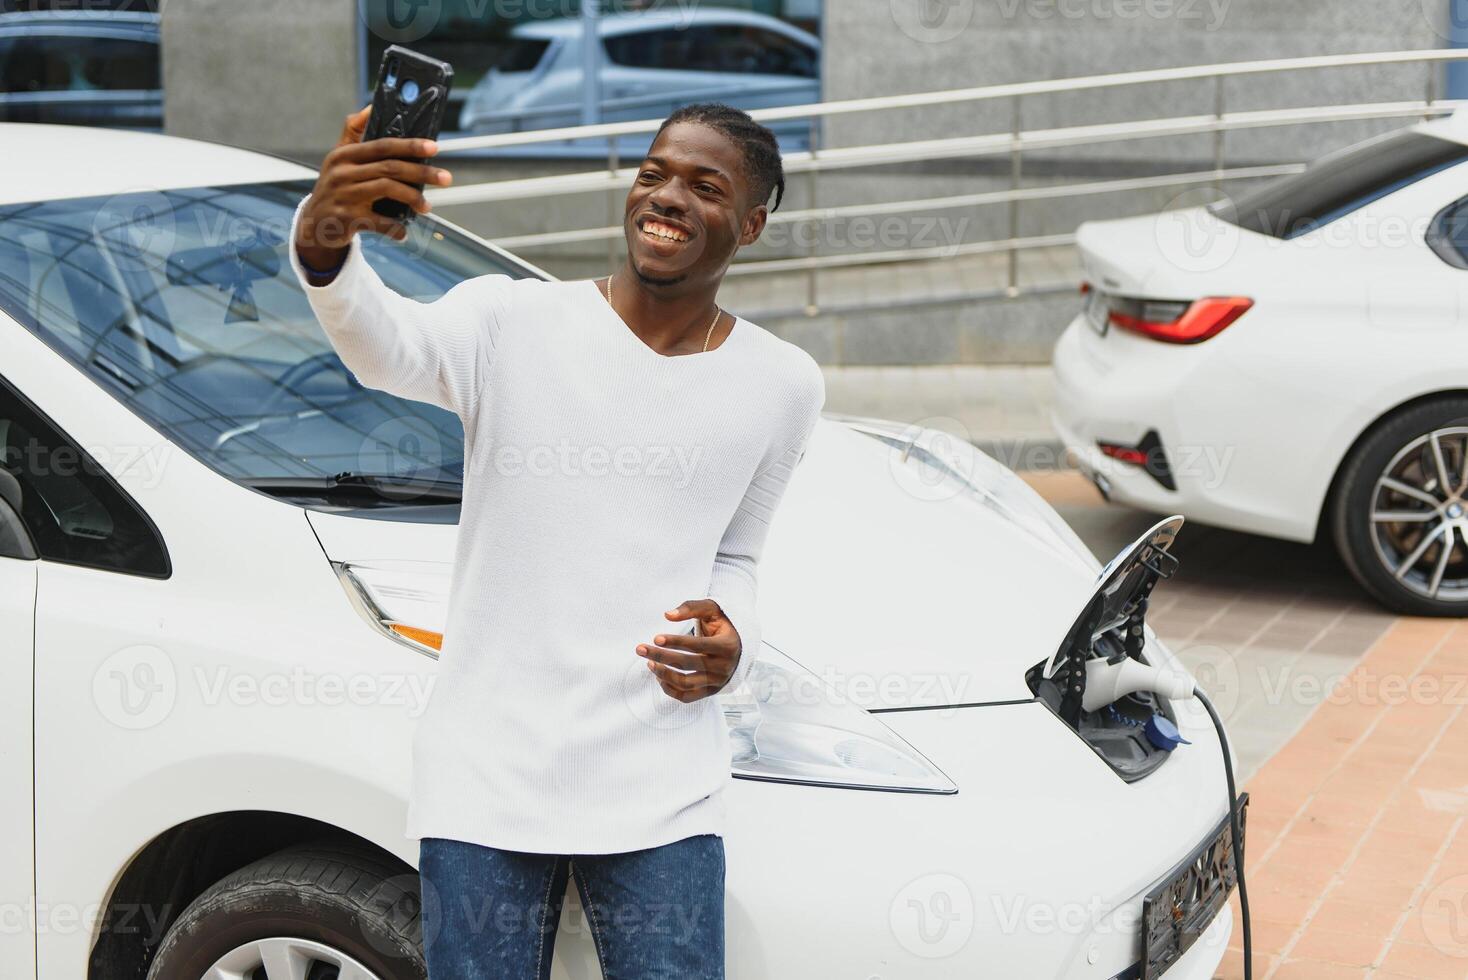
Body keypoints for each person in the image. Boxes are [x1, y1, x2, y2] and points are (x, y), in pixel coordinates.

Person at [289, 101, 825, 979]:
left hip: (663, 777)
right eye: (654, 173)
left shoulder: (783, 383)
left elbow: (737, 554)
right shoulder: (513, 321)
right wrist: (325, 240)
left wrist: (736, 636)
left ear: (754, 223)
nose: (668, 195)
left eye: (705, 185)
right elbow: (385, 349)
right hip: (486, 774)